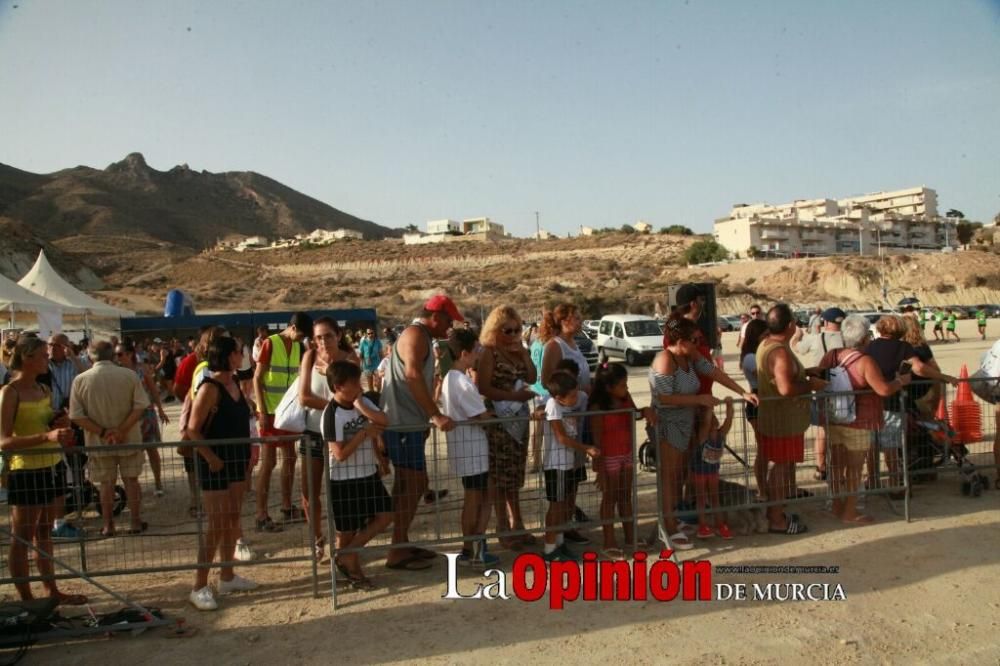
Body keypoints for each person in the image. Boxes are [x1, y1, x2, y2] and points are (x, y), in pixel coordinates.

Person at [650, 315, 757, 549]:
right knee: (670, 478)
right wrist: (698, 398)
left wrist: (741, 391)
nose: (699, 343)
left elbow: (713, 372)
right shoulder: (665, 360)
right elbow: (663, 397)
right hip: (669, 424)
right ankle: (667, 527)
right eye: (695, 339)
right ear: (681, 340)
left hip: (687, 421)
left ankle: (674, 521)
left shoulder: (689, 356)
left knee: (679, 474)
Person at [0, 336, 87, 605]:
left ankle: (52, 591)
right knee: (22, 539)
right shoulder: (9, 392)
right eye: (42, 355)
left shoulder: (43, 389)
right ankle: (27, 598)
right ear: (26, 358)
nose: (47, 359)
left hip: (51, 466)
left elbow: (44, 425)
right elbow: (3, 441)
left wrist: (57, 423)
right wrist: (46, 437)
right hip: (25, 471)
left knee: (45, 532)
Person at [380, 295, 459, 570]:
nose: (450, 327)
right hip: (402, 423)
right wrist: (434, 415)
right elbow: (413, 375)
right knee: (412, 483)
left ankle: (400, 542)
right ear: (435, 316)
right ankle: (396, 547)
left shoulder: (419, 335)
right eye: (449, 320)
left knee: (409, 483)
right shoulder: (416, 335)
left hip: (407, 422)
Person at [815, 314, 909, 524]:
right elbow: (883, 389)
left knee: (836, 466)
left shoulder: (831, 356)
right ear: (865, 338)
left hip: (833, 417)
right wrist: (900, 381)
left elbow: (819, 378)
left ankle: (837, 507)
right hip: (859, 421)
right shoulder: (865, 361)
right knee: (854, 470)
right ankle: (849, 512)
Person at [187, 336, 258, 611]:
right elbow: (193, 429)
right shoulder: (210, 388)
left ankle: (227, 575)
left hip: (237, 462)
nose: (243, 356)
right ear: (229, 356)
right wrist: (211, 458)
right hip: (215, 464)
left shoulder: (236, 385)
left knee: (231, 519)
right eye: (239, 352)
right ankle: (199, 585)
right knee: (215, 525)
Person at [867, 315, 958, 495]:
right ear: (899, 330)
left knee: (872, 445)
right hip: (893, 400)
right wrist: (943, 377)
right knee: (891, 446)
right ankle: (895, 484)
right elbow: (919, 368)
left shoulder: (870, 346)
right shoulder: (903, 347)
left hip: (871, 400)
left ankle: (873, 480)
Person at [756, 304, 827, 536]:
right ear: (789, 325)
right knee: (782, 467)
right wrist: (811, 385)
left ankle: (775, 510)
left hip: (775, 417)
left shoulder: (767, 345)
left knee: (779, 466)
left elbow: (780, 378)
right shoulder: (779, 352)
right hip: (784, 420)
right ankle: (776, 518)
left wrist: (805, 372)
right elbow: (786, 388)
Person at [324, 361, 393, 591]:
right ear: (338, 386)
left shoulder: (358, 403)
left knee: (385, 515)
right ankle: (353, 571)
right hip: (344, 480)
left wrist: (361, 405)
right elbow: (339, 453)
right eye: (353, 384)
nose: (358, 386)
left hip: (368, 473)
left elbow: (383, 421)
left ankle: (347, 555)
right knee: (347, 529)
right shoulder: (331, 413)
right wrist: (364, 433)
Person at [69, 341, 149, 537]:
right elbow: (140, 406)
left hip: (98, 442)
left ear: (89, 357)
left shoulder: (80, 380)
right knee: (131, 480)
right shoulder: (129, 375)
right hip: (128, 438)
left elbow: (76, 416)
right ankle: (135, 521)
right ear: (113, 355)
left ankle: (108, 525)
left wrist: (104, 432)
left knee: (105, 484)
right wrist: (121, 430)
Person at [297, 317, 358, 561]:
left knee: (343, 492)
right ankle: (317, 538)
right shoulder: (309, 357)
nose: (323, 341)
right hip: (313, 432)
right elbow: (304, 397)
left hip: (342, 433)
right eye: (319, 337)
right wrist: (336, 406)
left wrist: (335, 407)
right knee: (309, 491)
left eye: (328, 336)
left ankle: (344, 545)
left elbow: (354, 399)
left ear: (338, 335)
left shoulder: (351, 359)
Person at [477, 305, 537, 550]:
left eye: (517, 330)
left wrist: (524, 355)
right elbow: (483, 388)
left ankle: (518, 524)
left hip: (519, 422)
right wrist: (513, 398)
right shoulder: (489, 354)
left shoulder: (519, 350)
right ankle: (502, 528)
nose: (513, 335)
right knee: (500, 477)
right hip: (499, 423)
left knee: (515, 476)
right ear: (495, 329)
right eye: (507, 330)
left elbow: (533, 377)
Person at [439, 329, 499, 568]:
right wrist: (494, 416)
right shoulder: (461, 382)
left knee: (476, 497)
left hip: (465, 448)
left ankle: (473, 546)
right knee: (478, 498)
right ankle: (473, 548)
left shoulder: (450, 378)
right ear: (464, 353)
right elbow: (482, 416)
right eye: (476, 350)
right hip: (472, 450)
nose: (478, 355)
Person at [253, 312, 313, 532]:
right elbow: (257, 378)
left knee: (290, 458)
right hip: (269, 413)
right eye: (302, 334)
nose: (302, 339)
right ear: (293, 328)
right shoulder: (271, 343)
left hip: (288, 415)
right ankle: (261, 514)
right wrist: (261, 410)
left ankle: (287, 507)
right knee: (268, 463)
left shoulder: (300, 348)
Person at [589, 363, 653, 559]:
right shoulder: (598, 407)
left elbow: (635, 414)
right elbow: (596, 437)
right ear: (608, 387)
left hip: (626, 454)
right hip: (608, 458)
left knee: (626, 496)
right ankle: (609, 542)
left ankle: (629, 537)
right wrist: (598, 465)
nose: (626, 388)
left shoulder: (625, 398)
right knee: (610, 499)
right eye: (623, 385)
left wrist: (645, 411)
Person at [541, 370, 599, 562]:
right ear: (558, 397)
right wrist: (586, 448)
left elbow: (587, 396)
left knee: (565, 504)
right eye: (571, 396)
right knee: (556, 506)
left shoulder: (579, 397)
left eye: (576, 393)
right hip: (556, 463)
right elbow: (561, 437)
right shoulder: (553, 405)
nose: (576, 398)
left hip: (570, 462)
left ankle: (559, 541)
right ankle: (549, 549)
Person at [792, 307, 846, 482]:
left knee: (822, 430)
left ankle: (821, 468)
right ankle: (840, 470)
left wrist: (796, 335)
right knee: (844, 431)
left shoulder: (816, 339)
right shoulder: (849, 339)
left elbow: (798, 349)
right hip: (845, 390)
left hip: (822, 388)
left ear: (825, 322)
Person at [40, 333, 86, 540]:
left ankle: (79, 497)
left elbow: (88, 376)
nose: (52, 349)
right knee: (57, 466)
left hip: (72, 417)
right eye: (50, 345)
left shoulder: (75, 363)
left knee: (77, 460)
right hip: (49, 419)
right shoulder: (43, 366)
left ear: (66, 346)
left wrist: (74, 357)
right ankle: (58, 515)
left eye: (56, 345)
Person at [116, 343, 169, 497]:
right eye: (116, 355)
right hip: (129, 416)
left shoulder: (142, 369)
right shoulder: (118, 371)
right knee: (133, 453)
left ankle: (158, 482)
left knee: (152, 450)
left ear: (130, 354)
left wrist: (160, 409)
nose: (118, 358)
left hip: (147, 414)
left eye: (120, 354)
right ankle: (135, 486)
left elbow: (153, 389)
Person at [691, 398, 734, 539]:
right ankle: (702, 525)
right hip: (700, 472)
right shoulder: (702, 437)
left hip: (713, 472)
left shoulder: (720, 435)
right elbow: (706, 424)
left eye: (715, 418)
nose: (714, 420)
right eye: (712, 418)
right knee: (701, 499)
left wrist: (729, 405)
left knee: (715, 499)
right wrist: (709, 408)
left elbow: (729, 420)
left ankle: (720, 524)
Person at [740, 318, 770, 498]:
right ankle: (762, 489)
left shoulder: (758, 354)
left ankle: (765, 487)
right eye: (765, 335)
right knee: (763, 449)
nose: (768, 338)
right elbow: (765, 377)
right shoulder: (751, 357)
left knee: (766, 449)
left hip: (763, 402)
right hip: (757, 403)